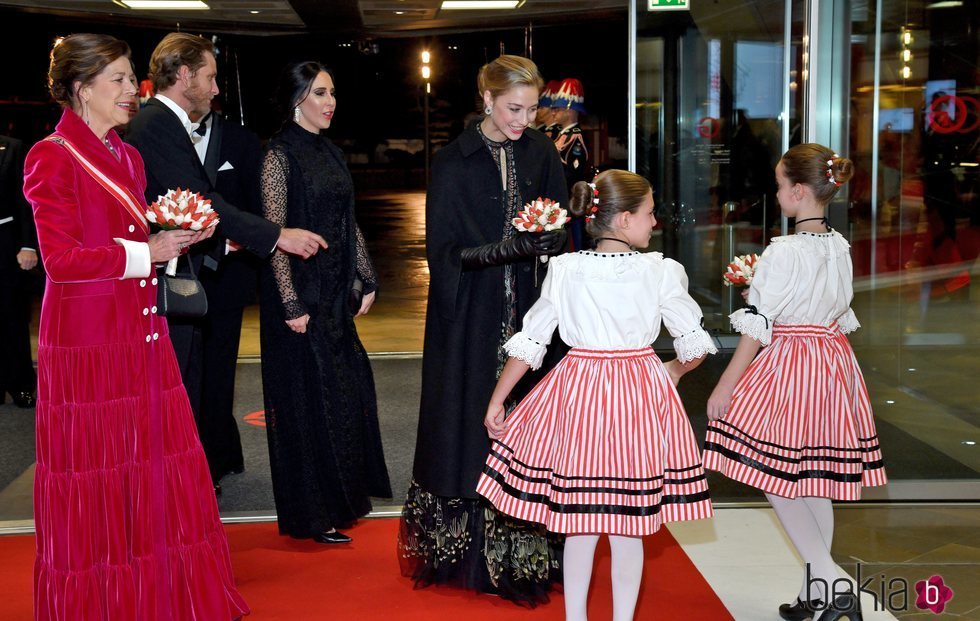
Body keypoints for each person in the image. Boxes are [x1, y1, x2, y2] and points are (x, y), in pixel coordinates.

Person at [23, 33, 248, 619]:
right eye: (119, 80)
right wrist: (146, 252)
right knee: (97, 477)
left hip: (140, 332)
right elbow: (62, 260)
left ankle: (153, 595)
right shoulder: (51, 156)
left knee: (151, 468)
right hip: (88, 341)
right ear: (82, 89)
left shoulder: (127, 155)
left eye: (131, 79)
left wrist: (174, 244)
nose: (132, 91)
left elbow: (136, 246)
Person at [477, 169, 717, 621]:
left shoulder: (567, 269)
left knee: (580, 523)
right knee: (629, 526)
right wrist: (670, 371)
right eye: (649, 214)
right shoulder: (660, 271)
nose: (654, 223)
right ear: (624, 220)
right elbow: (695, 345)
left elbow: (533, 341)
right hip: (637, 396)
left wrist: (498, 398)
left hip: (579, 394)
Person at [398, 54, 569, 605]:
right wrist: (504, 249)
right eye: (514, 108)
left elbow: (562, 225)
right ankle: (470, 558)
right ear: (487, 99)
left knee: (528, 423)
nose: (524, 119)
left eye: (532, 108)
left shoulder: (542, 151)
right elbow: (442, 253)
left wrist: (549, 243)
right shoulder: (453, 162)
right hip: (470, 316)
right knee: (469, 423)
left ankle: (529, 549)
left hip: (533, 314)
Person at [125, 34, 327, 474]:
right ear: (184, 76)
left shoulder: (163, 123)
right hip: (164, 277)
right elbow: (201, 199)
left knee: (197, 382)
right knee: (177, 385)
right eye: (210, 78)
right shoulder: (155, 123)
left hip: (196, 272)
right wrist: (278, 235)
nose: (217, 89)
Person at [702, 144, 887, 621]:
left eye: (781, 185)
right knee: (813, 479)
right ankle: (819, 594)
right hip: (833, 363)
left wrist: (725, 386)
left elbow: (759, 323)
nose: (778, 192)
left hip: (792, 363)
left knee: (775, 474)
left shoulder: (783, 250)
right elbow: (840, 311)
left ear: (799, 191)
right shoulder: (839, 244)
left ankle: (830, 582)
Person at [259, 61, 391, 545]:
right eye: (320, 93)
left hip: (335, 296)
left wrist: (367, 273)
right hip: (300, 299)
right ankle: (312, 515)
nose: (330, 101)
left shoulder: (331, 152)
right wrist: (290, 303)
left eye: (333, 92)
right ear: (297, 100)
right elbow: (274, 237)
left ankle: (343, 501)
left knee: (342, 396)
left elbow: (347, 220)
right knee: (306, 402)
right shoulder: (278, 157)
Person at [195, 108, 265, 490]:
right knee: (187, 372)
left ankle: (216, 458)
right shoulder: (162, 136)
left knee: (219, 371)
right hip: (177, 272)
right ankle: (201, 455)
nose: (215, 89)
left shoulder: (241, 140)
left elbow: (256, 206)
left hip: (227, 275)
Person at [0, 134, 37, 408]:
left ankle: (21, 384)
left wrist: (28, 245)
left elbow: (25, 200)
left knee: (12, 313)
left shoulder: (12, 146)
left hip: (6, 240)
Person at [551, 78, 591, 251]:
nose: (553, 114)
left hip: (570, 198)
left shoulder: (576, 137)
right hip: (562, 198)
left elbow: (575, 172)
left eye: (557, 109)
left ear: (569, 111)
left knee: (574, 241)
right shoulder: (563, 135)